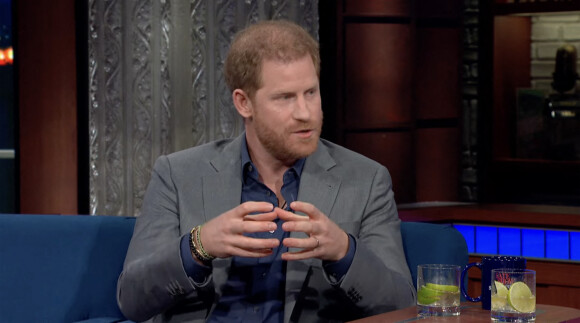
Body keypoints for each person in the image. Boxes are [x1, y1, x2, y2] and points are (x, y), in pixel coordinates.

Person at [117, 20, 415, 323]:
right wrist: (200, 245)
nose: (305, 112)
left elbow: (402, 306)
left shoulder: (367, 180)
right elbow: (132, 299)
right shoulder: (178, 175)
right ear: (244, 103)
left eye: (311, 92)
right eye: (285, 98)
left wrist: (343, 250)